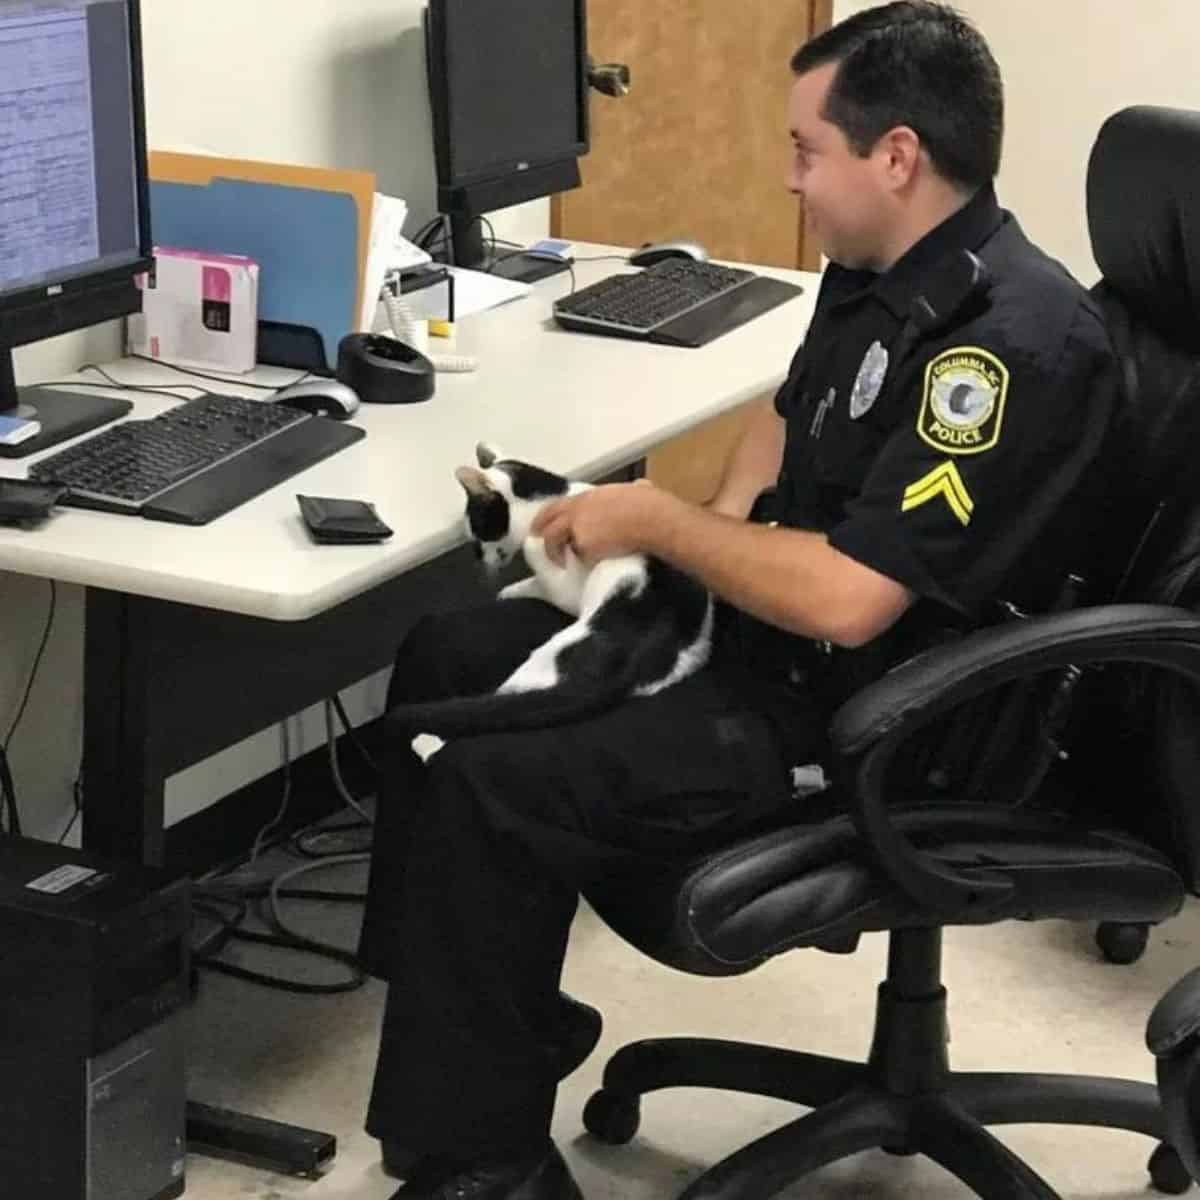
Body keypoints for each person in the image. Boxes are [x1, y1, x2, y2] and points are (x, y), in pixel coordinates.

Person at [357, 4, 1121, 1197]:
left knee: (486, 783)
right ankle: (500, 1038)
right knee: (446, 658)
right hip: (772, 641)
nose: (789, 179)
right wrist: (696, 546)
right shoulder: (886, 271)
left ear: (899, 157)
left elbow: (855, 604)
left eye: (807, 151)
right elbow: (789, 411)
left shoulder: (1003, 348)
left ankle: (485, 1164)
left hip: (880, 719)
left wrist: (665, 524)